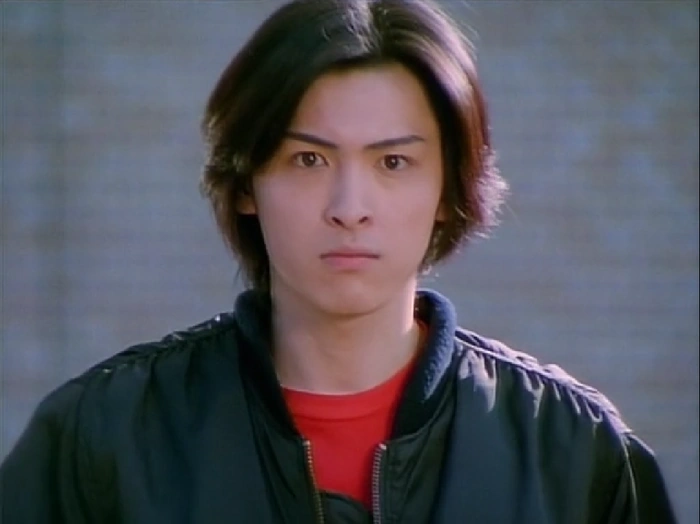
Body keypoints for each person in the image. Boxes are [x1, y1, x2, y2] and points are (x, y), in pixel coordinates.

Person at [0, 0, 677, 522]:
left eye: (394, 162)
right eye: (308, 159)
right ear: (245, 184)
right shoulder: (103, 442)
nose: (350, 207)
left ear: (449, 191)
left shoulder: (571, 454)